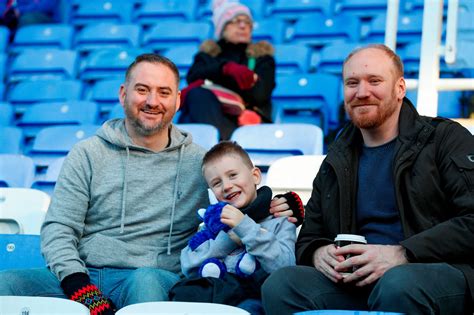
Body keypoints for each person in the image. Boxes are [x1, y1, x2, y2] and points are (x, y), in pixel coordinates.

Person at [0, 54, 297, 314]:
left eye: (163, 92)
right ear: (123, 94)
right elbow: (59, 227)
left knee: (146, 281)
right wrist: (77, 283)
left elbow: (237, 196)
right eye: (142, 90)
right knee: (5, 284)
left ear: (178, 100)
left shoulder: (199, 162)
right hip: (85, 273)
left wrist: (279, 203)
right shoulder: (87, 153)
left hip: (155, 276)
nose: (153, 101)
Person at [261, 44, 474, 315]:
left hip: (433, 275)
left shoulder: (444, 138)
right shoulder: (337, 157)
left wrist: (403, 253)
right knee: (281, 285)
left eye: (375, 81)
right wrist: (317, 253)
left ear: (399, 88)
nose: (362, 93)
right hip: (356, 283)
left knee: (398, 284)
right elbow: (310, 236)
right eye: (352, 83)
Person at [169, 141, 304, 314]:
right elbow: (188, 265)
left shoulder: (280, 220)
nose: (226, 186)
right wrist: (226, 238)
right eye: (217, 183)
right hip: (217, 297)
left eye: (232, 175)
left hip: (255, 299)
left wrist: (245, 228)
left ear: (255, 175)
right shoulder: (214, 224)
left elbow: (284, 269)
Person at [178, 0, 275, 140]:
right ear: (222, 28)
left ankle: (216, 153)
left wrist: (215, 77)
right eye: (235, 21)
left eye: (248, 22)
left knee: (196, 101)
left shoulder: (262, 57)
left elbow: (259, 94)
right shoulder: (208, 54)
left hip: (245, 119)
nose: (243, 26)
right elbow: (193, 76)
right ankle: (220, 153)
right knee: (197, 98)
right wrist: (226, 69)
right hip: (211, 113)